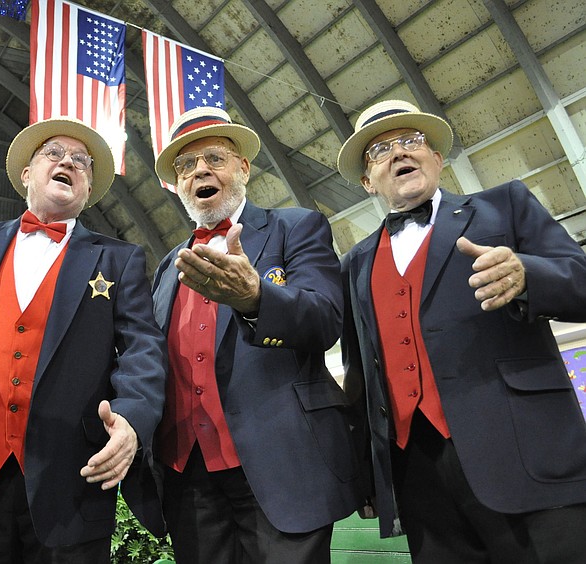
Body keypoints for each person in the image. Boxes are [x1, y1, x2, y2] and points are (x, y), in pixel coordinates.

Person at [0, 116, 167, 563]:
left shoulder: (119, 259)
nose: (69, 163)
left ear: (88, 187)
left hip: (73, 484)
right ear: (26, 173)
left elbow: (143, 349)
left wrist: (133, 419)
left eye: (81, 161)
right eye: (54, 154)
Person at [338, 99, 586, 562]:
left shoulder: (504, 206)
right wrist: (369, 472)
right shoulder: (353, 264)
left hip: (526, 457)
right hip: (418, 478)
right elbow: (360, 376)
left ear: (437, 157)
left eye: (411, 141)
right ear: (368, 182)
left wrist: (529, 275)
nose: (399, 152)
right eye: (380, 150)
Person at [151, 106, 361, 563]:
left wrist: (256, 299)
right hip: (191, 479)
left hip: (281, 466)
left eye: (214, 158)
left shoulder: (296, 226)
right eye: (186, 165)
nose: (200, 170)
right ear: (178, 185)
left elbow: (325, 319)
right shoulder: (168, 267)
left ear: (243, 168)